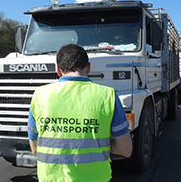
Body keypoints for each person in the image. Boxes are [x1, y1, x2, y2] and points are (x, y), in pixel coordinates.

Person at [27, 44, 132, 182]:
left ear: (58, 70)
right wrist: (100, 144)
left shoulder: (40, 95)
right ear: (88, 67)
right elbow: (125, 150)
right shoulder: (108, 96)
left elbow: (35, 148)